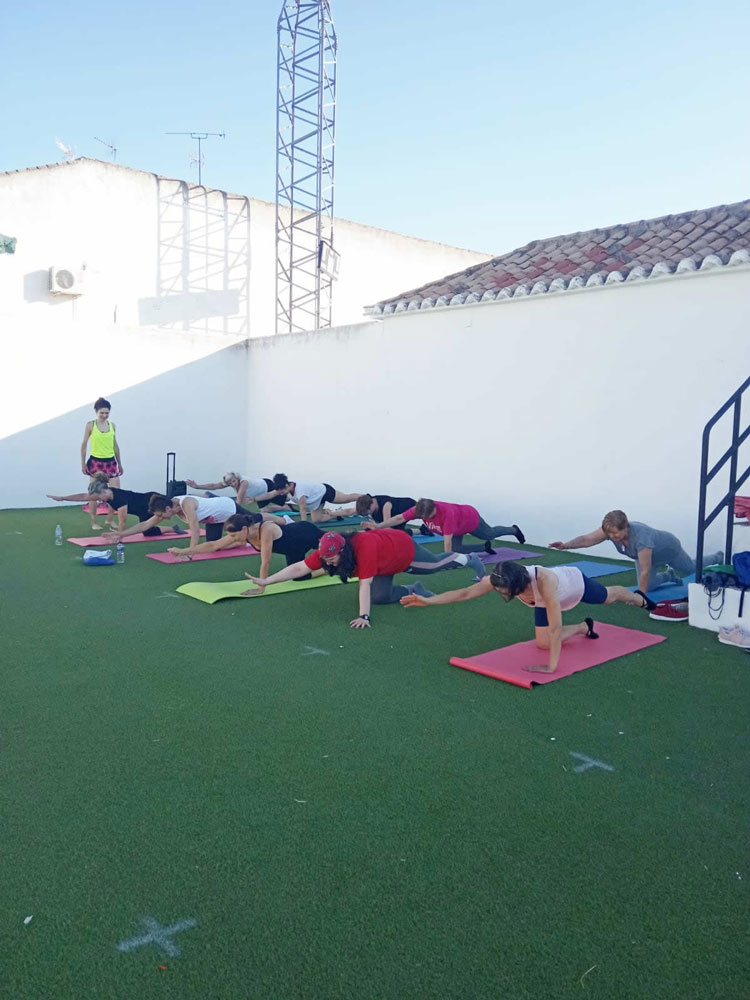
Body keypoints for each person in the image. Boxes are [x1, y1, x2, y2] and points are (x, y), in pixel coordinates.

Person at [401, 560, 656, 673]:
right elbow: (465, 593)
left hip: (574, 585)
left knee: (608, 597)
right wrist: (428, 600)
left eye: (503, 590)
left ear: (517, 584)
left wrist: (552, 666)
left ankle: (638, 598)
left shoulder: (544, 582)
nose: (499, 592)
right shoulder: (500, 578)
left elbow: (555, 627)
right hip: (541, 602)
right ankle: (583, 627)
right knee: (543, 644)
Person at [243, 529, 486, 627]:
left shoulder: (364, 548)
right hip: (382, 564)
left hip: (401, 551)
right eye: (325, 559)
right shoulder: (327, 551)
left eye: (332, 559)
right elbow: (299, 568)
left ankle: (470, 558)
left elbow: (363, 585)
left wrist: (364, 616)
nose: (328, 563)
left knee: (435, 565)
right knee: (380, 596)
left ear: (342, 551)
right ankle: (415, 589)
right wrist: (267, 581)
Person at [549, 509, 723, 594]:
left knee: (691, 568)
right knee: (650, 585)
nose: (613, 536)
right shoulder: (610, 531)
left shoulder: (641, 538)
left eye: (616, 532)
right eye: (610, 533)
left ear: (626, 526)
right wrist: (565, 545)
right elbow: (588, 539)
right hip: (644, 556)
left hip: (669, 550)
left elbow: (645, 570)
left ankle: (717, 557)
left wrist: (641, 597)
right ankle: (669, 575)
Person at [167, 513, 323, 584]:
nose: (232, 539)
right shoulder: (243, 533)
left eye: (234, 536)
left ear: (243, 529)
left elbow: (266, 561)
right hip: (294, 550)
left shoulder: (266, 529)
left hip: (306, 533)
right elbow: (213, 545)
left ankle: (330, 563)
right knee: (299, 577)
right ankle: (326, 569)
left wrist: (262, 585)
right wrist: (183, 551)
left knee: (334, 549)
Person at [105, 494, 283, 548]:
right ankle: (244, 542)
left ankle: (281, 520)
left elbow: (195, 530)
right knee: (215, 546)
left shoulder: (186, 504)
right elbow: (145, 525)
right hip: (214, 520)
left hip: (228, 508)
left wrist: (190, 552)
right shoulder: (168, 508)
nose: (160, 518)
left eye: (161, 515)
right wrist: (121, 534)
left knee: (255, 520)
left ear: (168, 509)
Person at [366, 497, 525, 554]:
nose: (426, 519)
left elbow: (447, 543)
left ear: (434, 509)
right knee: (457, 549)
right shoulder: (419, 509)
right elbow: (399, 518)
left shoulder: (448, 514)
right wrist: (379, 526)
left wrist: (446, 561)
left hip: (469, 519)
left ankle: (514, 529)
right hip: (457, 528)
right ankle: (484, 548)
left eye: (429, 517)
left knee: (489, 534)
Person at [47, 475, 168, 535]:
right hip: (142, 510)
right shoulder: (107, 494)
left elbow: (122, 520)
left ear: (104, 491)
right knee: (148, 532)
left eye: (99, 497)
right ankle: (173, 529)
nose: (98, 500)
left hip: (152, 502)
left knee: (172, 507)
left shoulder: (119, 498)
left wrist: (119, 537)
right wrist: (62, 498)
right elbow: (83, 496)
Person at [80, 397, 123, 530]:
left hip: (111, 462)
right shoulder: (90, 425)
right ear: (96, 412)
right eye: (102, 413)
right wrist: (83, 464)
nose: (104, 415)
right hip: (96, 463)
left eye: (107, 413)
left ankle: (110, 520)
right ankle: (94, 521)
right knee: (94, 492)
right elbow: (84, 445)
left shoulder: (112, 426)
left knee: (115, 493)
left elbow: (115, 446)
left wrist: (120, 463)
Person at [271, 474, 362, 523]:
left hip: (325, 492)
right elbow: (270, 494)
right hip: (316, 501)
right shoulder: (285, 489)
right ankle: (336, 514)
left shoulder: (299, 490)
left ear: (286, 485)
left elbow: (303, 509)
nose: (281, 493)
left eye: (282, 491)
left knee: (346, 498)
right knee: (316, 520)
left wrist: (303, 525)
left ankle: (366, 498)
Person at [184, 472, 291, 511]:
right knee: (264, 510)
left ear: (237, 478)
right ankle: (285, 507)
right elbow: (214, 486)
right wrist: (197, 486)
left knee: (285, 497)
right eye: (230, 483)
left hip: (267, 486)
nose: (233, 484)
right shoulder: (230, 482)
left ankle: (288, 503)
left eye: (234, 481)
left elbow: (238, 502)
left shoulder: (244, 483)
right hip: (259, 493)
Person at [351, 493, 421, 531]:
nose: (369, 514)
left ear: (371, 504)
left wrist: (374, 527)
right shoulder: (373, 509)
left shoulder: (386, 505)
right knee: (399, 532)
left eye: (368, 512)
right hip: (396, 515)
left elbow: (387, 528)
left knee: (395, 533)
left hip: (408, 506)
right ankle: (421, 530)